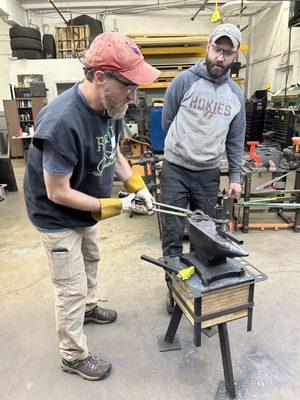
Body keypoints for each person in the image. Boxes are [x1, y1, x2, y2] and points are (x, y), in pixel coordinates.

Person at [23, 31, 160, 381]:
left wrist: (136, 185)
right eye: (128, 85)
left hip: (86, 204)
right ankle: (72, 354)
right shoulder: (61, 122)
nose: (134, 94)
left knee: (91, 258)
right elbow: (57, 192)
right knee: (69, 286)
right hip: (56, 214)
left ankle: (88, 307)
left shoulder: (112, 106)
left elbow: (112, 150)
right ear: (100, 78)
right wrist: (119, 205)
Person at [160, 24, 245, 312]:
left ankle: (194, 291)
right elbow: (167, 121)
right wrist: (184, 145)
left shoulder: (235, 94)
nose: (221, 57)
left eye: (228, 52)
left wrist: (235, 176)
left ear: (235, 56)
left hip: (208, 174)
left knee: (203, 237)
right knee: (172, 234)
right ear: (207, 47)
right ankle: (174, 291)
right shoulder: (184, 81)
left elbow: (235, 139)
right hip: (175, 169)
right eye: (217, 50)